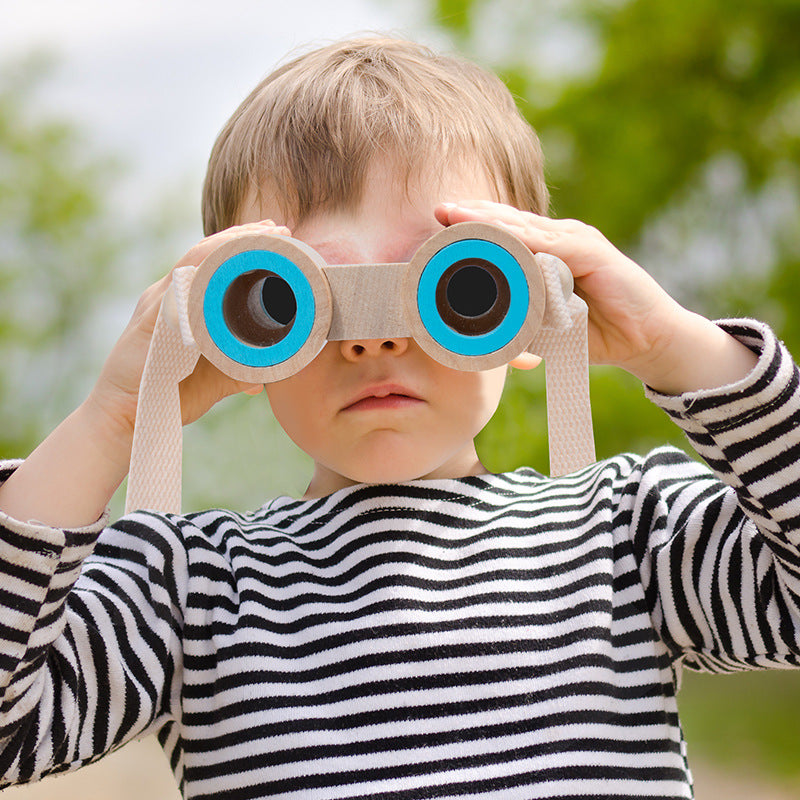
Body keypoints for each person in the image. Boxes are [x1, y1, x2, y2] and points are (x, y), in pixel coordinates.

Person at [0, 36, 797, 800]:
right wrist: (115, 418)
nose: (376, 336)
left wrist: (676, 345)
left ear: (529, 308)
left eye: (458, 284)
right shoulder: (191, 590)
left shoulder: (627, 533)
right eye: (294, 297)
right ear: (233, 330)